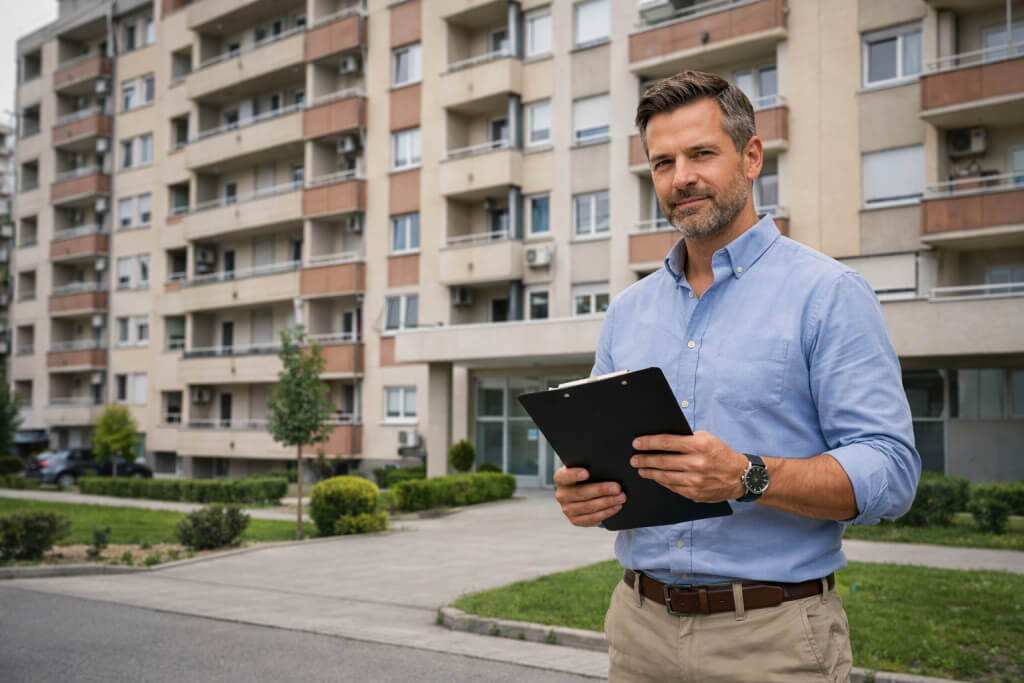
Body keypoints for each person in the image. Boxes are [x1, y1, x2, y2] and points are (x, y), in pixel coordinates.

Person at [553, 71, 921, 682]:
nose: (681, 178)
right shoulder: (627, 311)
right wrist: (581, 493)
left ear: (751, 157)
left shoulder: (828, 294)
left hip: (774, 639)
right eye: (662, 161)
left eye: (701, 153)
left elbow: (892, 470)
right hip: (638, 630)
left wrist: (746, 476)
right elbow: (597, 459)